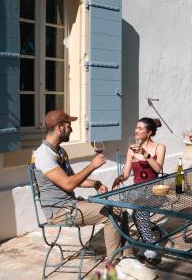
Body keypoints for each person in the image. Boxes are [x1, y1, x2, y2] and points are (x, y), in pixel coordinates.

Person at [32, 109, 124, 261]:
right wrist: (92, 166)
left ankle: (127, 257)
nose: (72, 129)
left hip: (70, 204)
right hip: (59, 211)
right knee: (112, 213)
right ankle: (114, 265)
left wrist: (95, 183)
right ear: (60, 128)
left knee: (120, 208)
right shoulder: (43, 155)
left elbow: (73, 179)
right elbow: (69, 184)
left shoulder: (59, 151)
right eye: (69, 125)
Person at [112, 117, 166, 263]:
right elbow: (126, 174)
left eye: (140, 128)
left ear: (148, 132)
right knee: (123, 208)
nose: (136, 131)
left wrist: (144, 153)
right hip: (137, 190)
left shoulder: (159, 147)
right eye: (136, 127)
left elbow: (158, 169)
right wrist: (119, 178)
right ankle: (145, 243)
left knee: (138, 210)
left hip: (155, 190)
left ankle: (149, 247)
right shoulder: (131, 149)